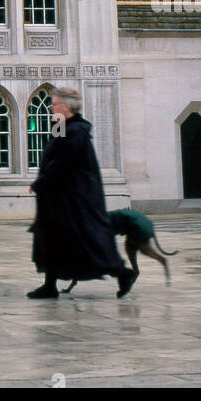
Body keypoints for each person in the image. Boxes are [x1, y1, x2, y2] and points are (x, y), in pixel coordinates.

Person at [27, 87, 127, 299]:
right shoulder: (61, 126)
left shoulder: (77, 131)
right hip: (58, 196)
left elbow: (63, 162)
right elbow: (52, 154)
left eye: (54, 104)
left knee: (85, 239)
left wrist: (40, 183)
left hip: (75, 197)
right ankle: (49, 285)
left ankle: (122, 272)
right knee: (53, 238)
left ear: (67, 106)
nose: (50, 107)